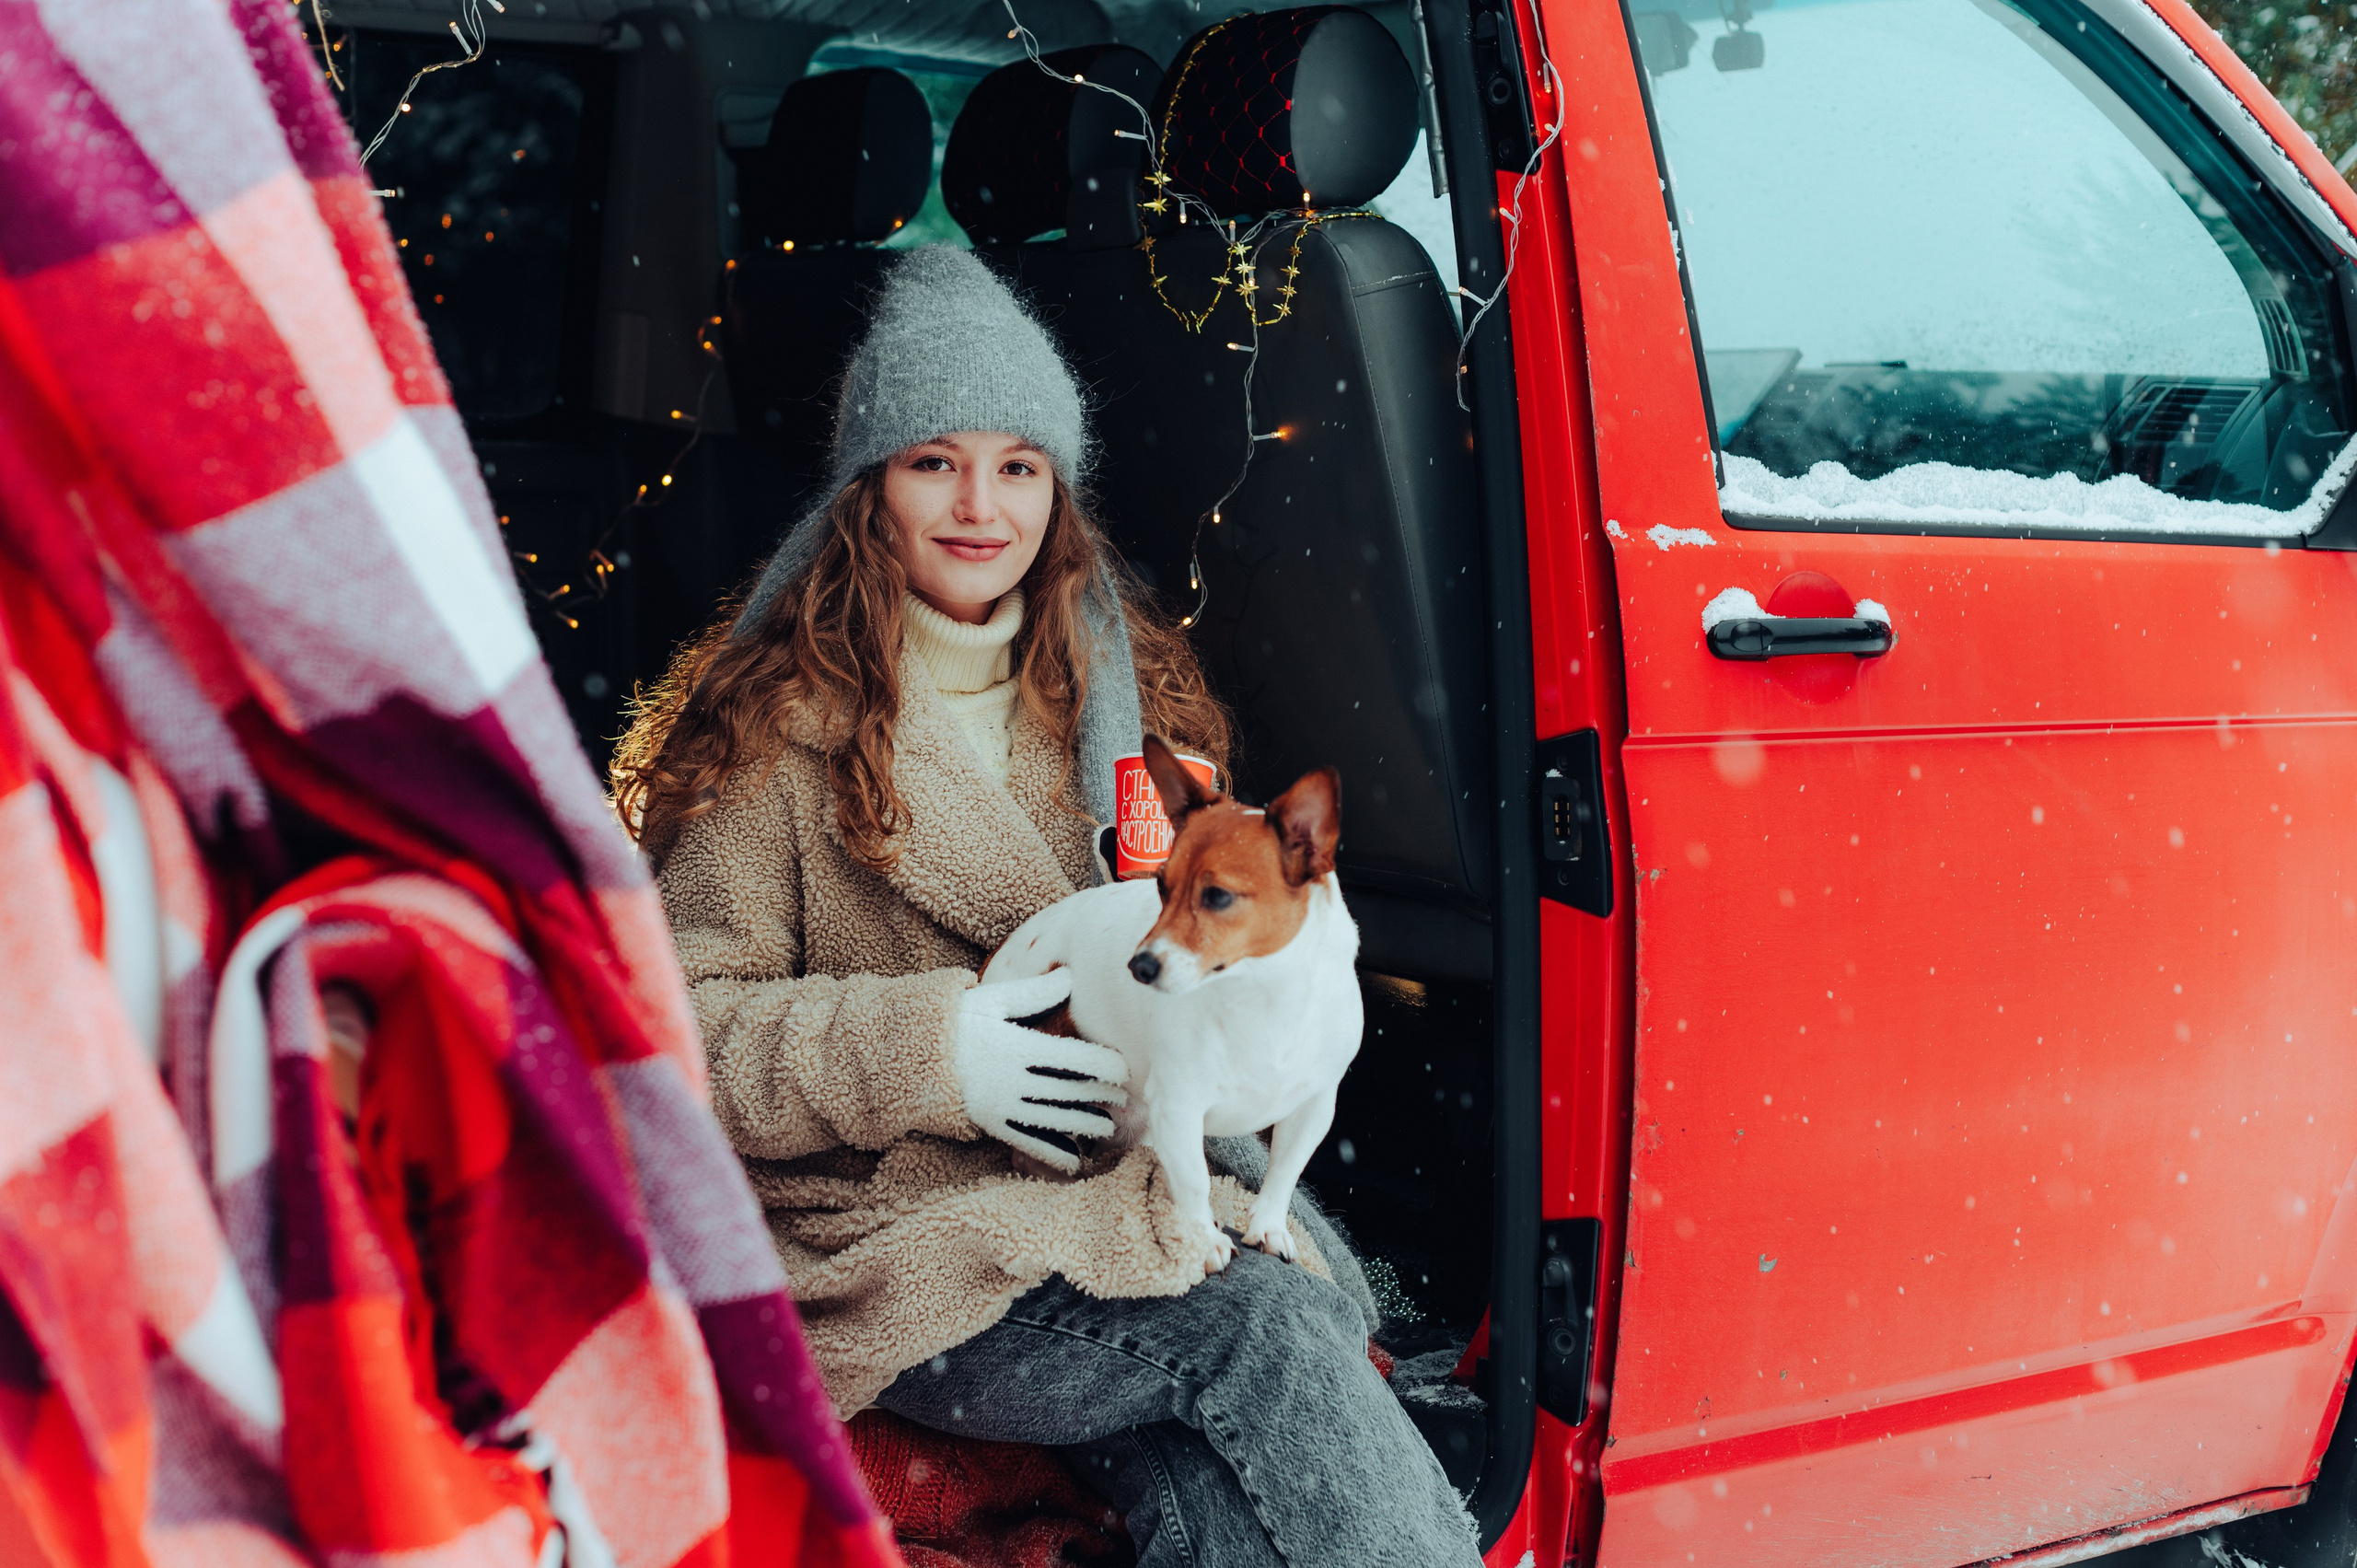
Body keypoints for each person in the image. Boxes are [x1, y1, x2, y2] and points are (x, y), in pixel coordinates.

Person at [613, 247, 1482, 1568]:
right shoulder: (766, 734)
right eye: (933, 462)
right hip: (895, 1230)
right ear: (871, 490)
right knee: (1261, 1331)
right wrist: (930, 1051)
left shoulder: (1127, 703)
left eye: (1019, 464)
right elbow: (677, 1044)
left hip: (1113, 1177)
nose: (980, 505)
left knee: (1224, 1473)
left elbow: (1216, 938)